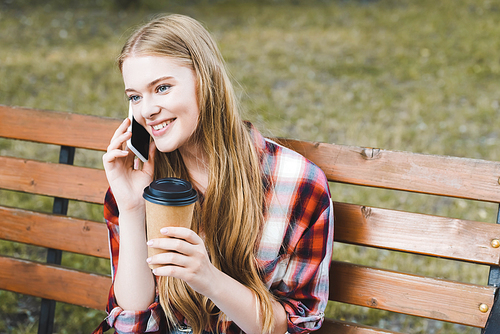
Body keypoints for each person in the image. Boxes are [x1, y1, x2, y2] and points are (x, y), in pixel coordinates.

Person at [93, 13, 333, 334]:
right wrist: (133, 207)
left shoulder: (297, 184)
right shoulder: (144, 183)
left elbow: (293, 325)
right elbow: (132, 317)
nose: (146, 110)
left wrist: (207, 278)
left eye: (162, 88)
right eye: (134, 96)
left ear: (205, 82)